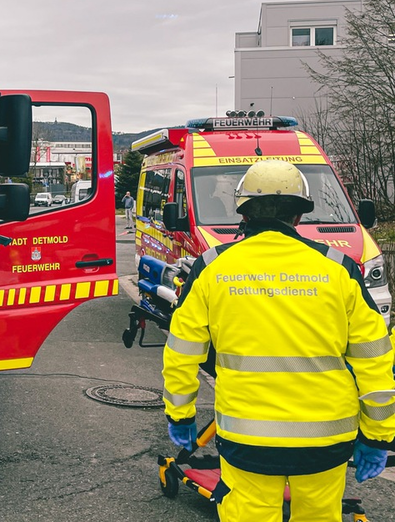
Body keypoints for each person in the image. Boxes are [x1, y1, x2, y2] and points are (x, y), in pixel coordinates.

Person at [162, 159, 395, 522]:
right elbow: (375, 361)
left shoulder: (213, 267)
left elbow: (182, 352)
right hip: (326, 442)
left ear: (244, 213)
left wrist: (181, 413)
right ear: (299, 216)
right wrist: (378, 436)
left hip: (247, 440)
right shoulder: (340, 268)